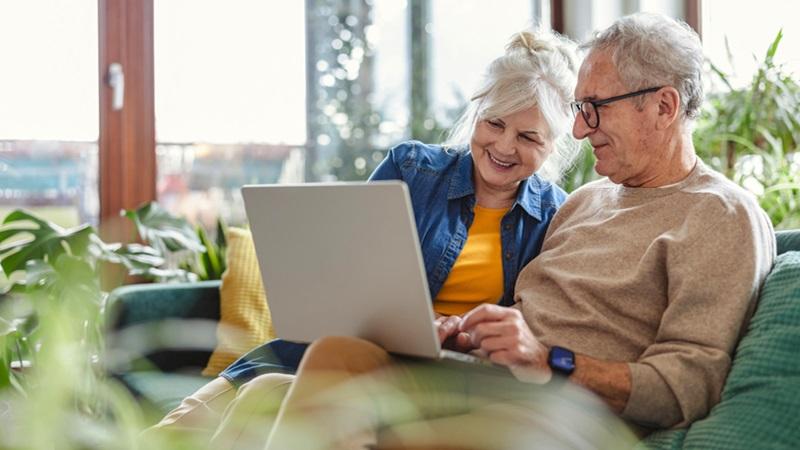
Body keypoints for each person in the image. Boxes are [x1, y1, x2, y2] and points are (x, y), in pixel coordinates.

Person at [248, 12, 776, 449]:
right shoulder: (585, 203)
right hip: (484, 378)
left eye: (593, 108)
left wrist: (550, 361)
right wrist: (470, 329)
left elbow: (688, 385)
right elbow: (528, 312)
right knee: (331, 360)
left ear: (664, 106)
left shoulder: (721, 215)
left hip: (567, 413)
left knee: (339, 410)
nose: (576, 130)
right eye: (578, 108)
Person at [145, 28, 583, 449]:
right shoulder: (412, 169)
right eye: (494, 123)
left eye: (528, 137)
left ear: (554, 145)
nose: (504, 146)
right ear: (476, 112)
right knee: (180, 428)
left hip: (433, 376)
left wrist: (463, 334)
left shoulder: (555, 216)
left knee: (261, 397)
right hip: (333, 350)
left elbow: (529, 332)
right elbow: (343, 275)